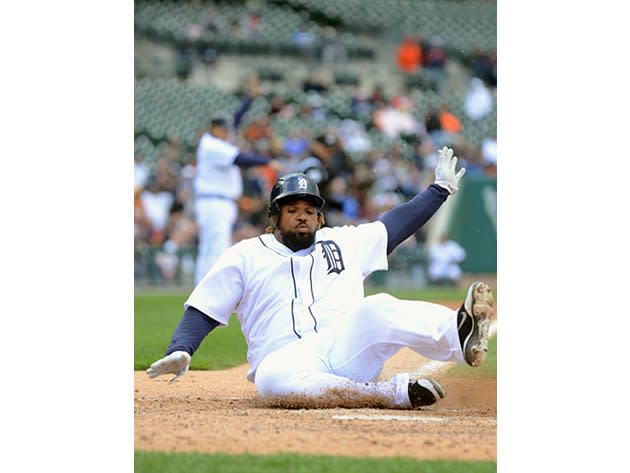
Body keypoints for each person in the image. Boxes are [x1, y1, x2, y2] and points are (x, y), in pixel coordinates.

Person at [147, 147, 495, 410]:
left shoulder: (342, 241)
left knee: (377, 307)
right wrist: (181, 348)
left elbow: (394, 225)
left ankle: (458, 333)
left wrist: (438, 190)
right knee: (271, 378)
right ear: (274, 217)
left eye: (309, 211)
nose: (302, 218)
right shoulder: (246, 255)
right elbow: (205, 307)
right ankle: (392, 394)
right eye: (292, 210)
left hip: (347, 350)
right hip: (289, 365)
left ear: (320, 217)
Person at [193, 74, 282, 284]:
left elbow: (235, 119)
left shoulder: (215, 140)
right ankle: (208, 290)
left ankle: (202, 288)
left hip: (216, 202)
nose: (228, 132)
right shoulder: (211, 145)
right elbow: (240, 158)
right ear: (215, 129)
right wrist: (266, 162)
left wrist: (250, 99)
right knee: (215, 248)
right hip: (214, 202)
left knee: (211, 247)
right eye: (224, 129)